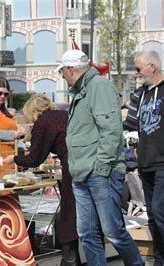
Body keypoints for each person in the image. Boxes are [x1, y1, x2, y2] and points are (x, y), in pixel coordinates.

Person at [56, 49, 142, 265]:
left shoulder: (98, 86)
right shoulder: (82, 90)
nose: (62, 76)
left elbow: (111, 131)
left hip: (98, 172)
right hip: (83, 172)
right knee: (87, 233)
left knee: (112, 232)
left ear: (70, 69)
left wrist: (101, 168)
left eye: (62, 72)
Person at [3, 94, 79, 265]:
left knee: (68, 214)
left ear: (35, 112)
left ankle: (70, 259)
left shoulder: (43, 121)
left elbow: (34, 159)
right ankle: (74, 257)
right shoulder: (64, 115)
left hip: (71, 166)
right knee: (78, 213)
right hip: (82, 163)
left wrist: (14, 159)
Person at [134, 50, 164, 263]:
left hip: (163, 162)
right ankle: (159, 259)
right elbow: (133, 124)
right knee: (153, 217)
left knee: (160, 212)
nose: (137, 73)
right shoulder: (140, 93)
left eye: (139, 69)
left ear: (152, 67)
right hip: (145, 162)